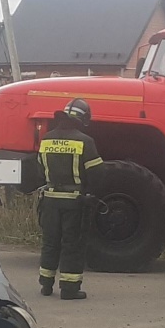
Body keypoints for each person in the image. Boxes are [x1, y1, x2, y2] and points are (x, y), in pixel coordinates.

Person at [34, 98, 102, 301]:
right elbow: (97, 174)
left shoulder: (46, 139)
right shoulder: (85, 141)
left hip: (50, 200)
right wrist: (91, 194)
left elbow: (39, 170)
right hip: (74, 202)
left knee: (50, 242)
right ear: (82, 119)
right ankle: (69, 288)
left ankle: (46, 284)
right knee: (72, 243)